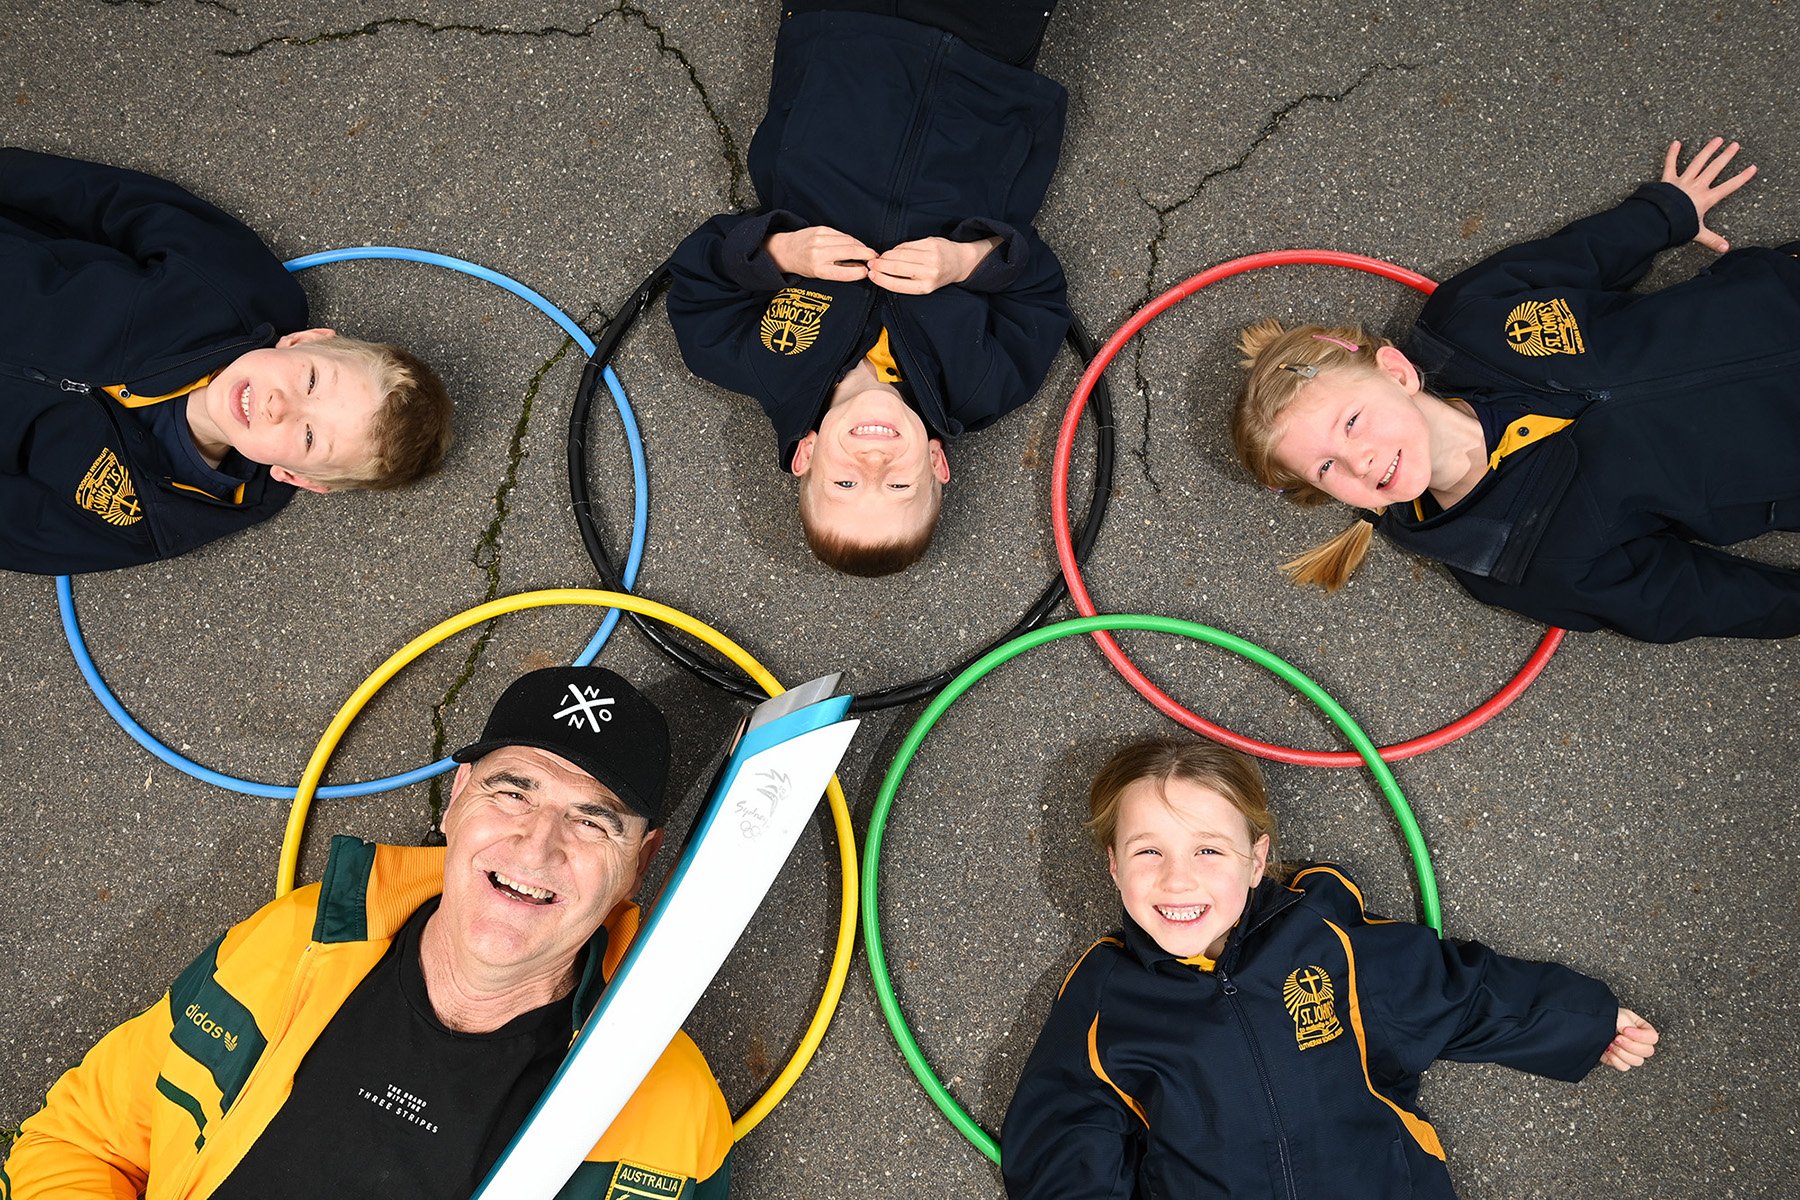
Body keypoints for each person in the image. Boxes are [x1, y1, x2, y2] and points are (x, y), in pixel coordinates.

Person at [3, 667, 733, 1198]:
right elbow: (78, 1142)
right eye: (512, 791)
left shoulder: (672, 1109)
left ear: (639, 864)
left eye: (591, 820)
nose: (535, 847)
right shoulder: (292, 945)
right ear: (456, 803)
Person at [1001, 738, 1657, 1199]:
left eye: (1208, 850)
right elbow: (1064, 1137)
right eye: (1148, 852)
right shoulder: (1105, 995)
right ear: (1114, 867)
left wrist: (1585, 1021)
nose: (1178, 880)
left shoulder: (1321, 940)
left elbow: (1453, 993)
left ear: (1256, 863)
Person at [1231, 137, 1800, 642]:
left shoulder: (1470, 321)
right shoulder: (1513, 558)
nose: (1358, 461)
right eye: (1325, 469)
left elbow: (1577, 257)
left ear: (1397, 371)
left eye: (1350, 423)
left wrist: (1664, 213)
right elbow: (1688, 598)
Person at [665, 0, 1072, 576]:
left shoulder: (749, 361)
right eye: (900, 483)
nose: (874, 459)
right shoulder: (984, 383)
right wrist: (966, 260)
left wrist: (782, 250)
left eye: (847, 481)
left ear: (804, 457)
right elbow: (1040, 292)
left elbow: (699, 270)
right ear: (937, 463)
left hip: (840, 45)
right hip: (982, 79)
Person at [1, 147, 454, 575]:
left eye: (310, 436)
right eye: (312, 381)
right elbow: (107, 199)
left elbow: (16, 532)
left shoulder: (156, 518)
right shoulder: (233, 286)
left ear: (295, 476)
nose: (279, 406)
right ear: (302, 341)